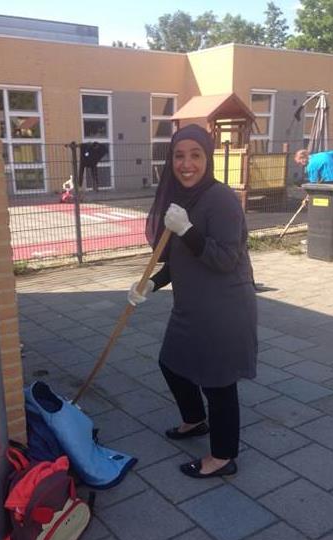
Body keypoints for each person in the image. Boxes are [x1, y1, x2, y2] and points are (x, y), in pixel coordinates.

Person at [128, 124, 257, 479]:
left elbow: (225, 259)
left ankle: (222, 457)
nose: (186, 164)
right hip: (191, 307)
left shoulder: (221, 199)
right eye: (179, 156)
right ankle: (195, 420)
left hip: (223, 308)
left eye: (195, 155)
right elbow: (179, 259)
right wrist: (151, 285)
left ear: (208, 158)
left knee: (218, 382)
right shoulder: (181, 197)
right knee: (172, 361)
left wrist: (187, 230)